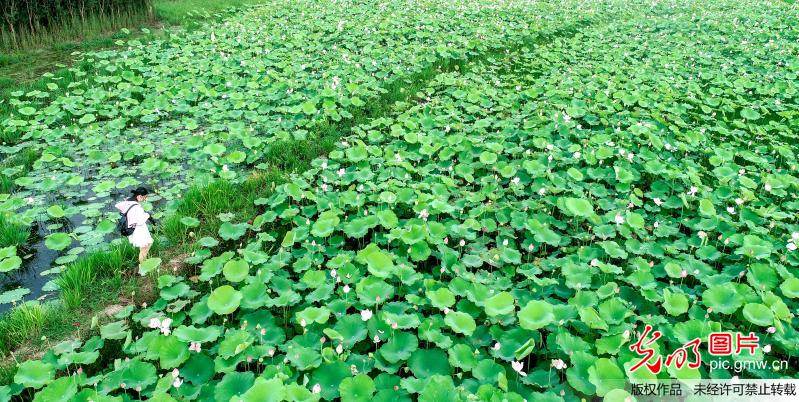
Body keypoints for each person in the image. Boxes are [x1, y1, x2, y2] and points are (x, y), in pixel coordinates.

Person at [115, 187, 156, 265]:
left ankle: (143, 264)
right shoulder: (136, 207)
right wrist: (147, 215)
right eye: (145, 197)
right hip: (139, 230)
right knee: (145, 248)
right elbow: (140, 221)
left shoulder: (128, 202)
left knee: (145, 247)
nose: (145, 199)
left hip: (134, 229)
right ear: (139, 196)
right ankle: (143, 268)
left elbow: (118, 205)